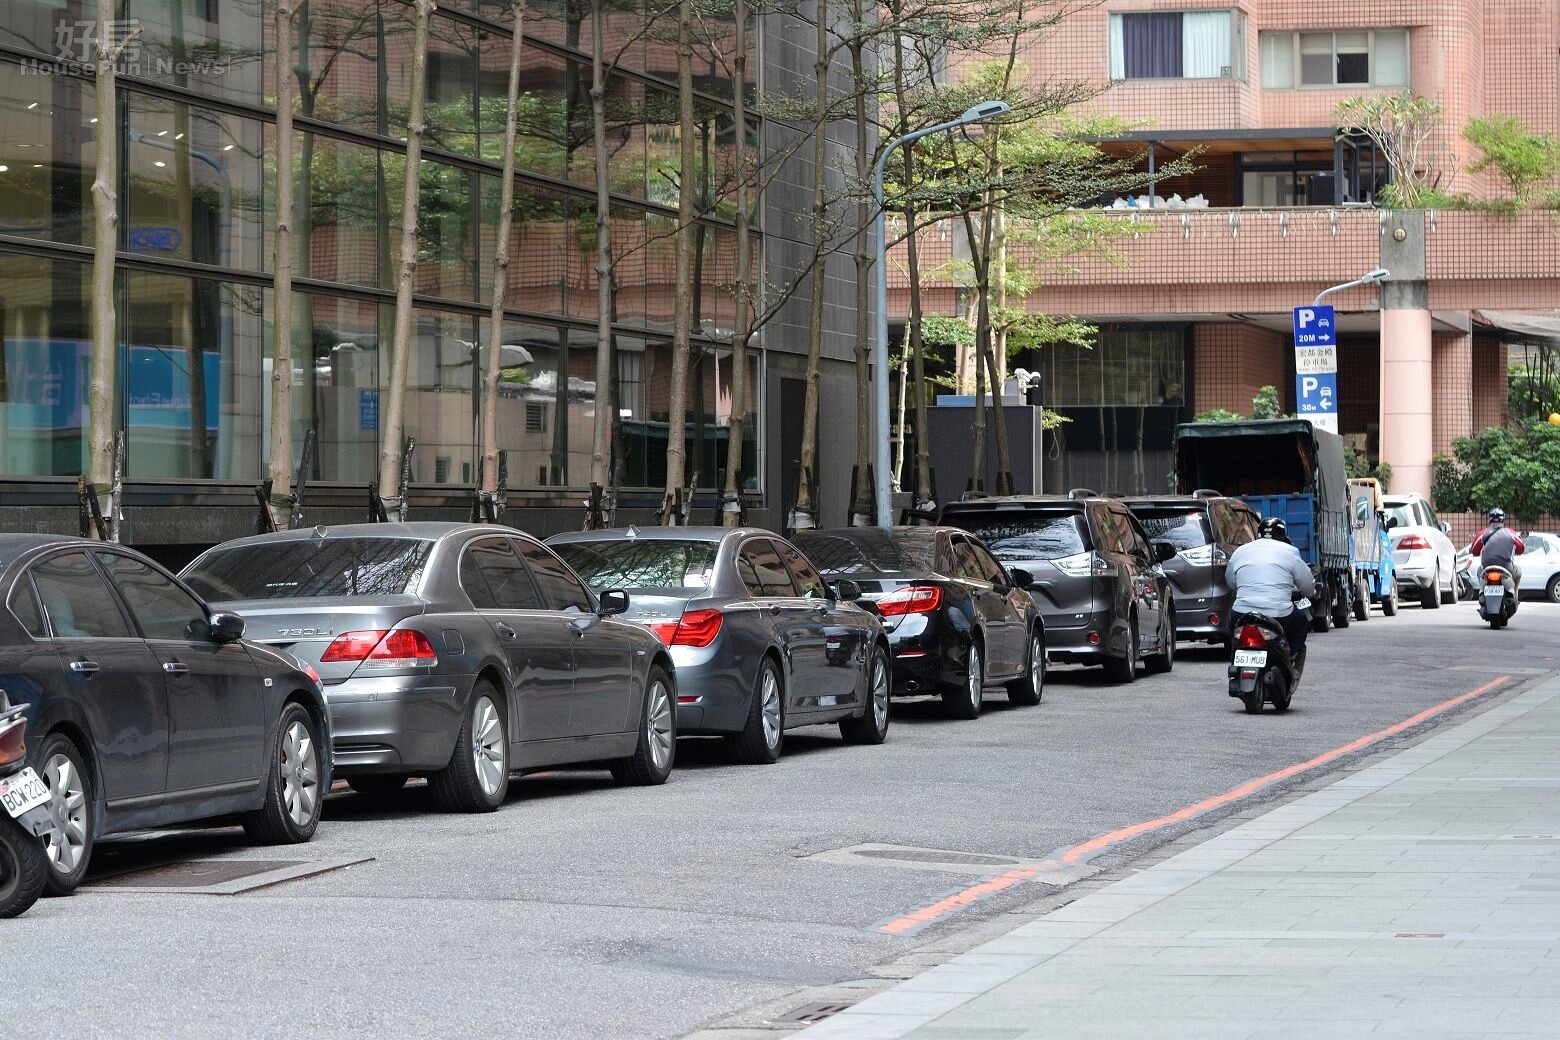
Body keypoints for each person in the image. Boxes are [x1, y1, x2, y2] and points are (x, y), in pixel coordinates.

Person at [1227, 517, 1318, 658]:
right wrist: (1311, 593)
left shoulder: (1240, 551)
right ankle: (1291, 657)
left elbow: (1231, 583)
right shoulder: (1290, 551)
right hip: (1278, 614)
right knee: (1302, 622)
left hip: (1241, 613)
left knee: (1232, 629)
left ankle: (1234, 656)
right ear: (1283, 535)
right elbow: (1307, 586)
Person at [1470, 507, 1525, 584]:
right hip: (1507, 568)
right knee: (1518, 572)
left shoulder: (1482, 534)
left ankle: (1482, 591)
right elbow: (1521, 549)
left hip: (1486, 568)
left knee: (1479, 571)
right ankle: (1514, 594)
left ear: (1490, 519)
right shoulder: (1511, 533)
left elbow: (1475, 552)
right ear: (1503, 519)